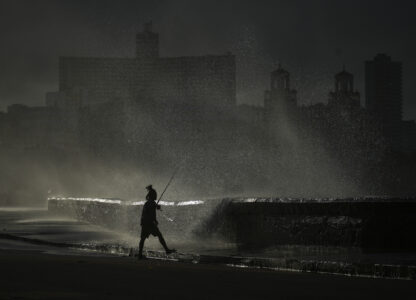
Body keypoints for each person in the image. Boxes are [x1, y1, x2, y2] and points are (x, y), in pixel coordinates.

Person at [138, 184, 175, 259]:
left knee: (142, 239)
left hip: (144, 222)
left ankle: (140, 255)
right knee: (159, 235)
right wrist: (154, 218)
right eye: (155, 194)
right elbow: (151, 213)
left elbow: (148, 213)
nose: (156, 195)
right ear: (152, 195)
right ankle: (167, 250)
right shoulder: (151, 203)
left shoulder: (148, 202)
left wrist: (155, 217)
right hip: (149, 223)